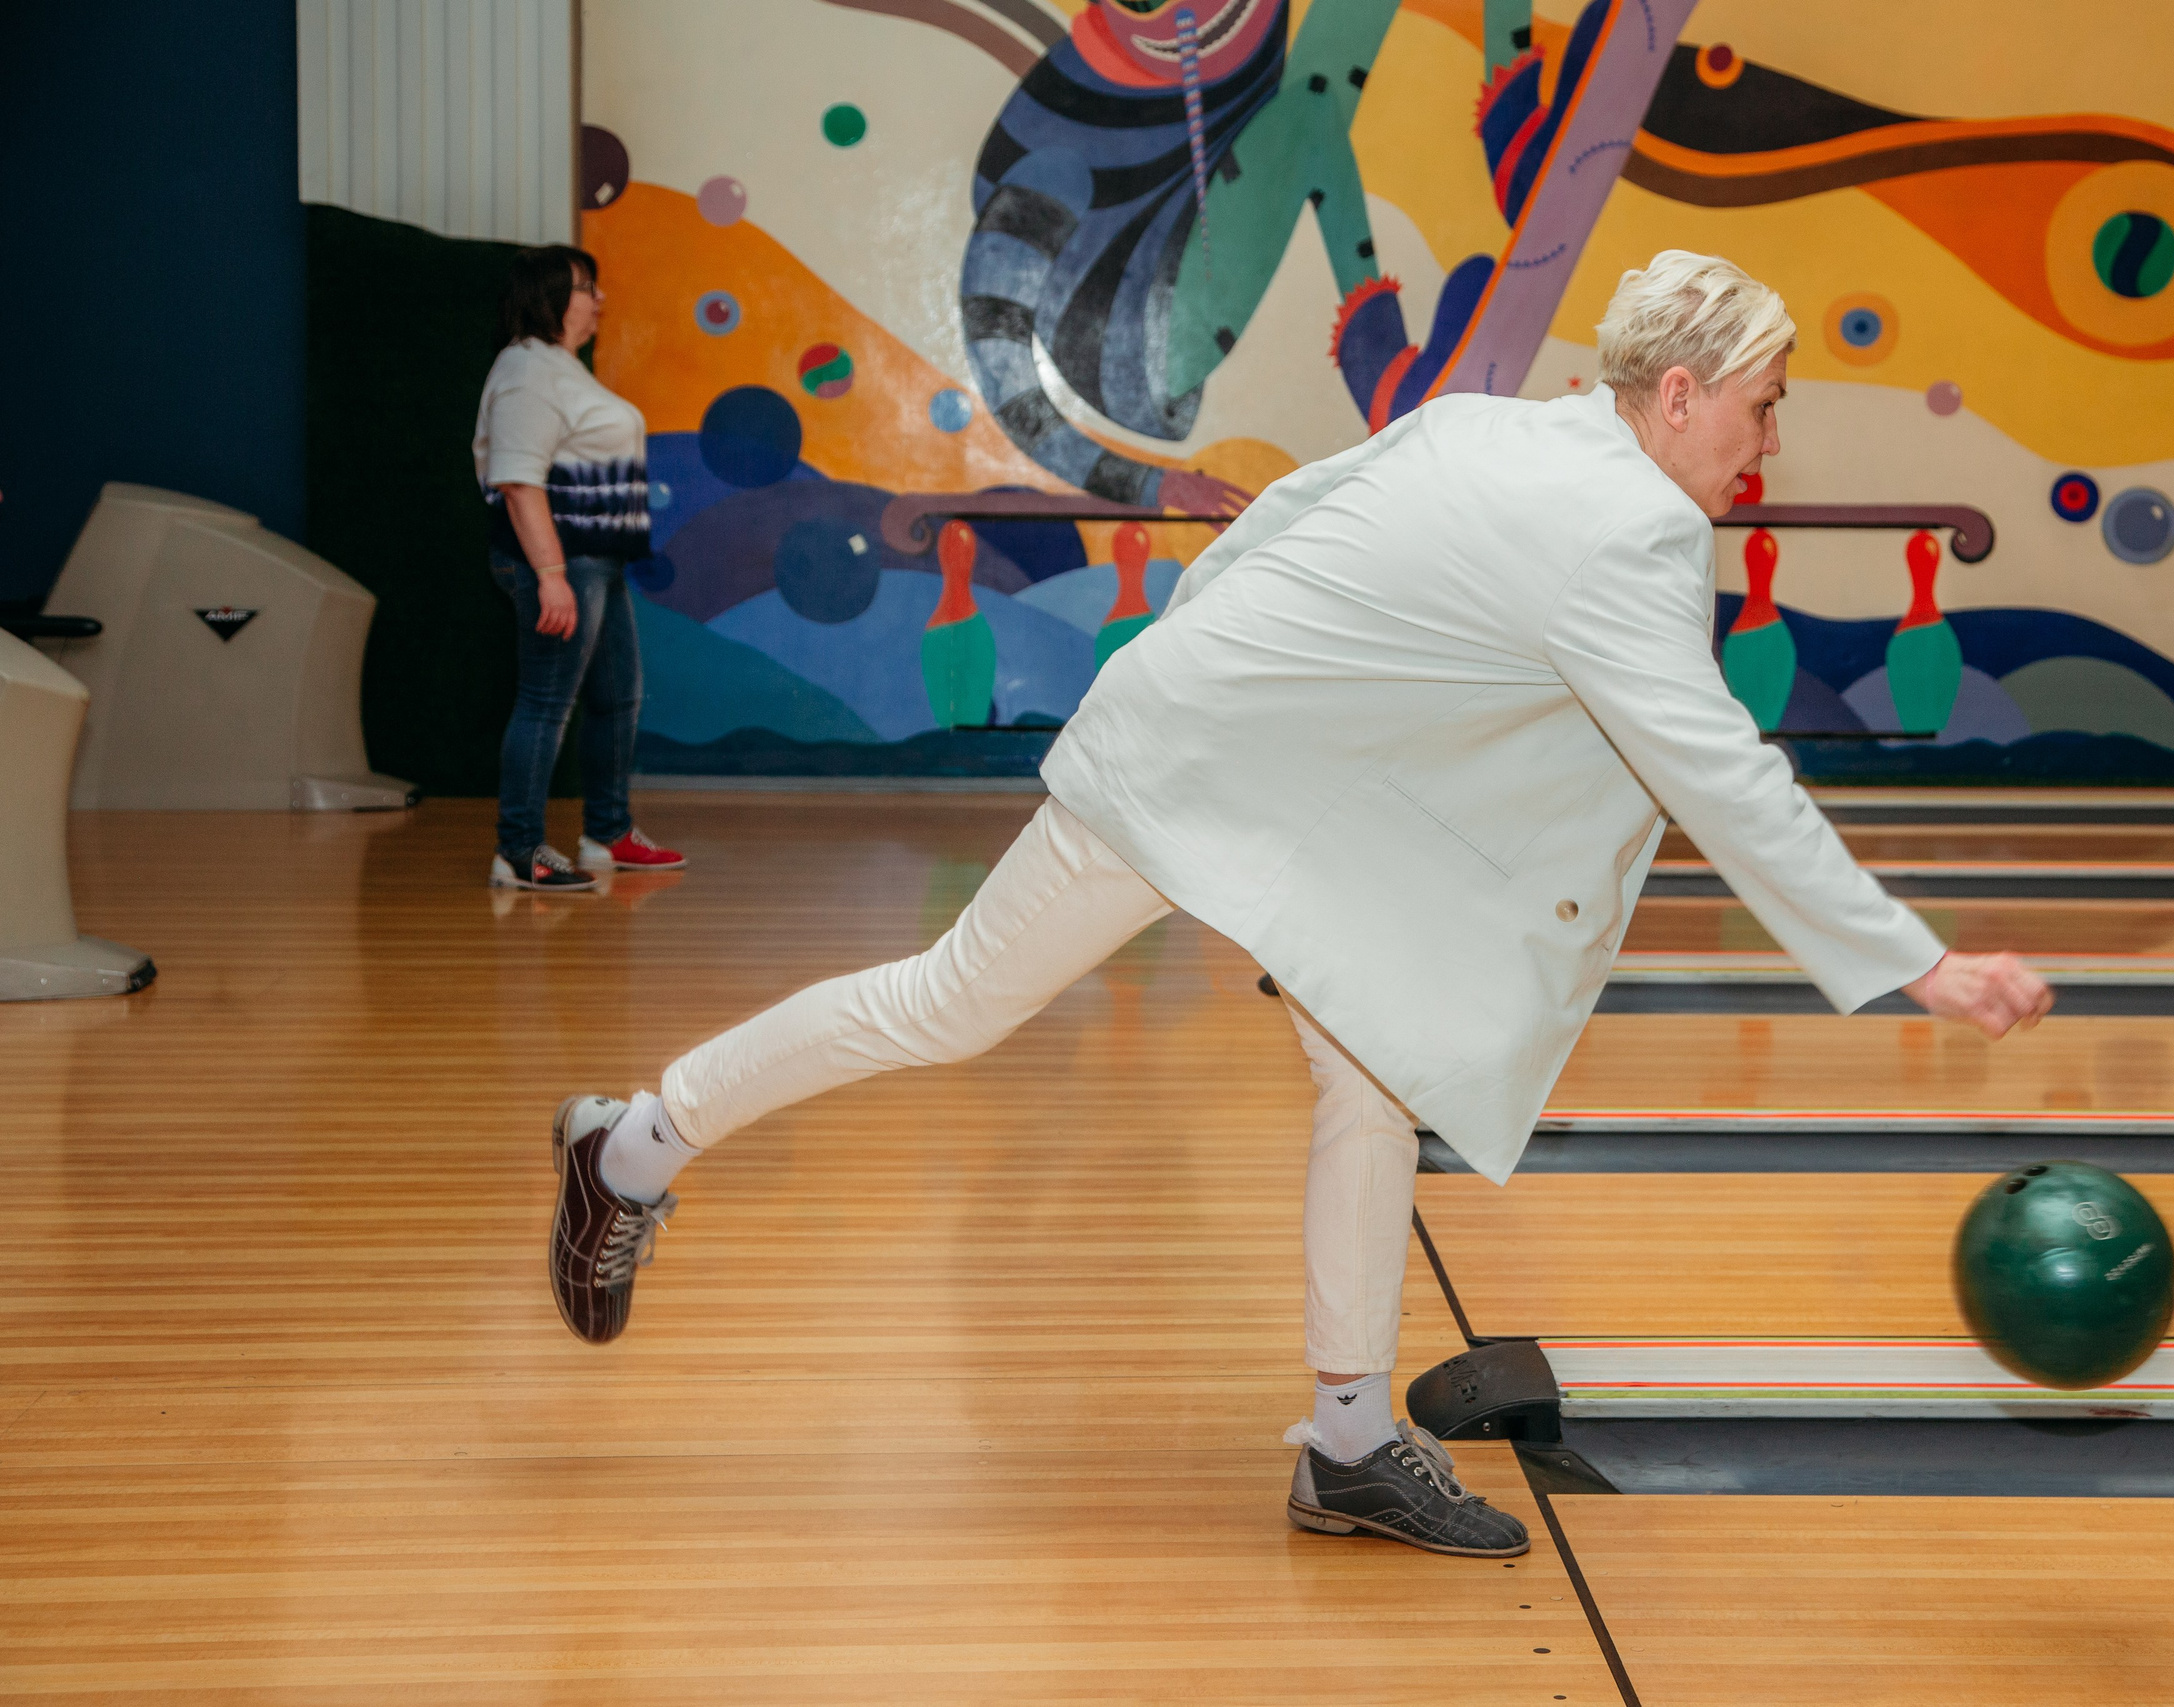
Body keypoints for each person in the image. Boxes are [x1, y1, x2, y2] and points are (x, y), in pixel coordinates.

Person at [544, 252, 2054, 1556]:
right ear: (1678, 396)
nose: (1768, 439)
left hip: (1264, 773)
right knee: (955, 1001)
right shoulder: (1632, 530)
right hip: (1200, 768)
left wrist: (1215, 667)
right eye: (1762, 402)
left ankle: (1344, 1441)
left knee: (1372, 1076)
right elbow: (1718, 768)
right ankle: (627, 1146)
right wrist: (1911, 962)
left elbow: (1281, 518)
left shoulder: (1497, 425)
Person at [474, 245, 686, 891]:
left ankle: (608, 832)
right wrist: (551, 574)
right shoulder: (524, 371)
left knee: (617, 697)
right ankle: (518, 852)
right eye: (585, 288)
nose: (599, 300)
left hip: (599, 564)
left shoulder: (560, 369)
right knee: (547, 703)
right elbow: (516, 480)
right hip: (564, 565)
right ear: (549, 297)